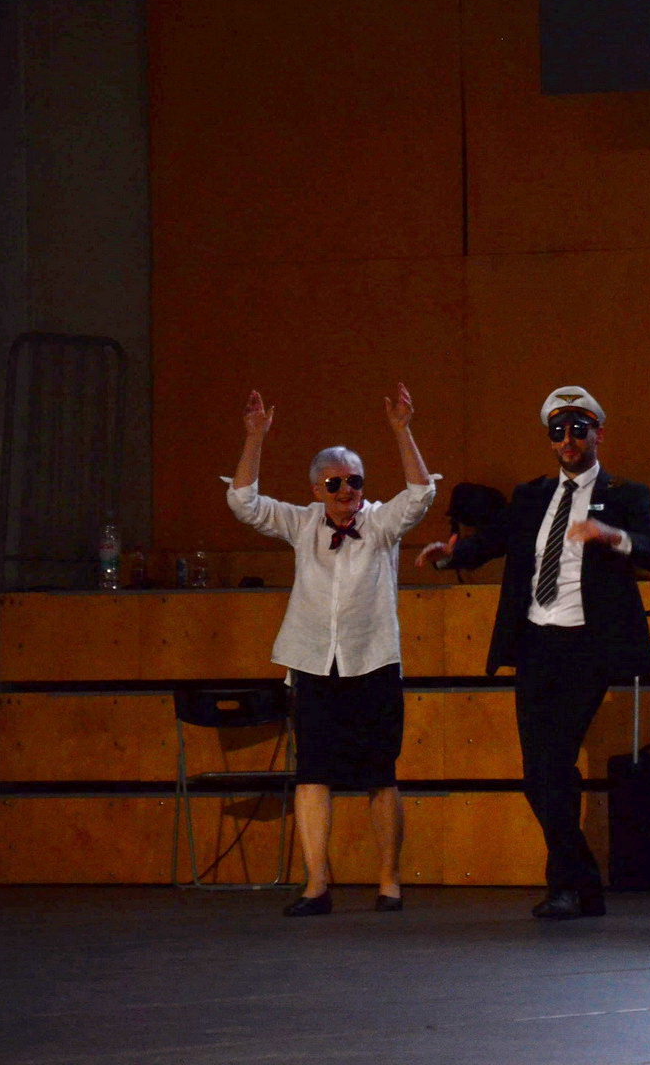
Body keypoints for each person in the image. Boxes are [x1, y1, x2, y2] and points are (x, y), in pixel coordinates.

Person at [417, 387, 650, 920]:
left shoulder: (625, 494)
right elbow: (493, 540)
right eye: (558, 432)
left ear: (598, 433)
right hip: (536, 641)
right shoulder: (531, 495)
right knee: (539, 771)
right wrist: (450, 555)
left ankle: (567, 886)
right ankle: (583, 882)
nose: (568, 440)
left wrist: (612, 535)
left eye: (579, 429)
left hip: (587, 644)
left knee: (554, 761)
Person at [225, 383, 436, 917]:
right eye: (335, 483)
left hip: (373, 661)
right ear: (317, 489)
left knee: (379, 775)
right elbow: (243, 502)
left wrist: (402, 430)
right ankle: (317, 883)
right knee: (312, 773)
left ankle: (389, 881)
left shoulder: (381, 523)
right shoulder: (302, 523)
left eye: (354, 481)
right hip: (315, 662)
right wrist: (255, 438)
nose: (347, 491)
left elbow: (421, 495)